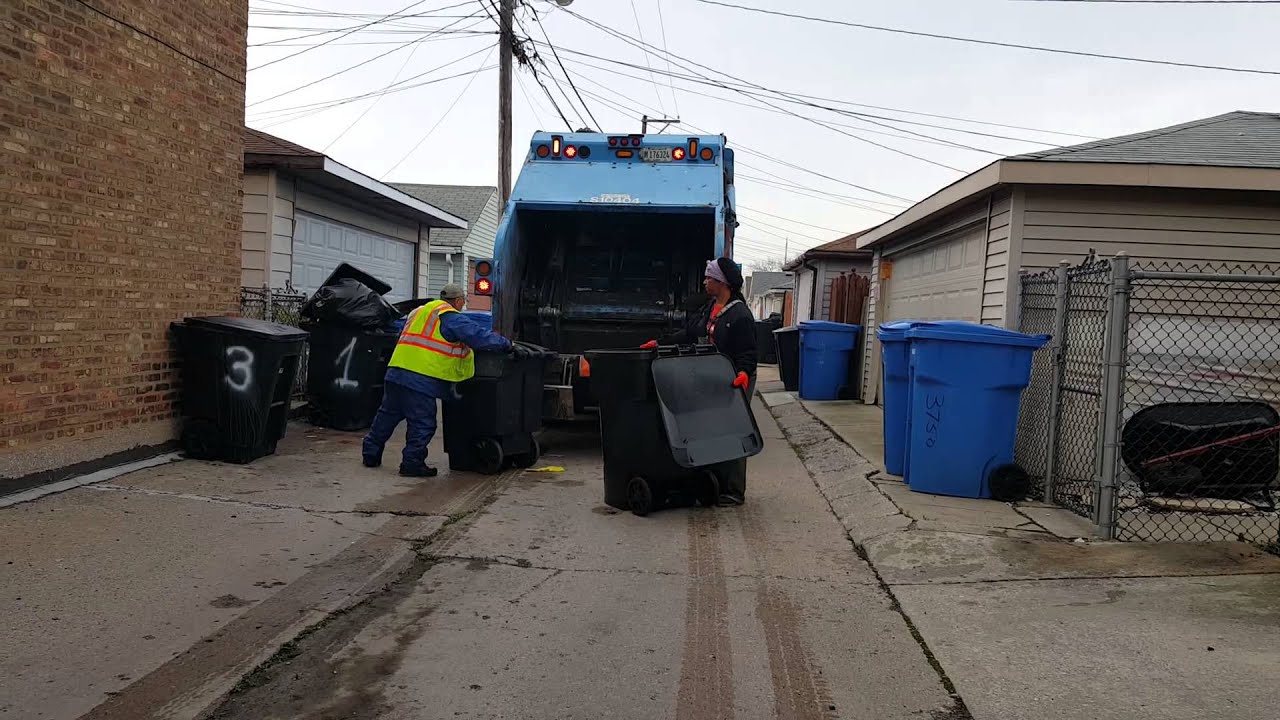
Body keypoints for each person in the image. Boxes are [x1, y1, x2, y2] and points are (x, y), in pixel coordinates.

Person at [362, 284, 529, 477]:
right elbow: (478, 336)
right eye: (463, 301)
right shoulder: (450, 317)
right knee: (423, 422)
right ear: (458, 301)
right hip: (420, 378)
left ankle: (371, 454)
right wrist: (508, 345)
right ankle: (412, 463)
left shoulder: (420, 312)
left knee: (387, 415)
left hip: (396, 371)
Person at [650, 257, 758, 505]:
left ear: (722, 282)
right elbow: (689, 333)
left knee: (734, 430)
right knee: (711, 429)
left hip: (736, 379)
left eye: (709, 277)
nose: (705, 281)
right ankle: (712, 484)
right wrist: (660, 343)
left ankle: (733, 490)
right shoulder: (709, 308)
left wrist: (743, 372)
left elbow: (749, 351)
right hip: (714, 377)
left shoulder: (740, 314)